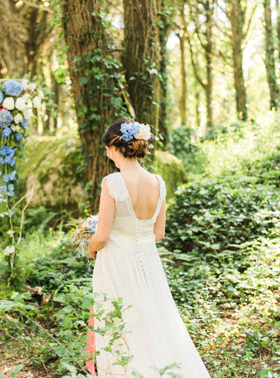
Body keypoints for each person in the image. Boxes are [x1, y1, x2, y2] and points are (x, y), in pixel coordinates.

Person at [88, 118, 211, 377]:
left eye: (106, 148)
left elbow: (103, 234)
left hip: (117, 261)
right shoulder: (158, 182)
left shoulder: (112, 182)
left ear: (113, 147)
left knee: (120, 319)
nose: (106, 154)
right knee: (155, 317)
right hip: (148, 260)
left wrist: (91, 247)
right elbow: (159, 232)